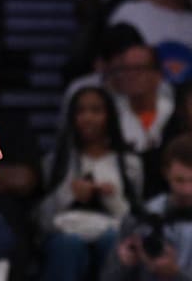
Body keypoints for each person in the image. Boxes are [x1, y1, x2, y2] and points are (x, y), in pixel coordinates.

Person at [37, 86, 143, 281]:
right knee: (67, 245)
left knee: (114, 243)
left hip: (112, 230)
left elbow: (133, 220)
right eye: (81, 111)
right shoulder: (55, 162)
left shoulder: (129, 163)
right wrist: (68, 194)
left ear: (109, 116)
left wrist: (111, 197)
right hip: (65, 234)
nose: (88, 118)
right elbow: (43, 220)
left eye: (96, 111)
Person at [101, 134, 192, 280]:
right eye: (179, 180)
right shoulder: (140, 218)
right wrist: (123, 265)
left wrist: (176, 275)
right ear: (166, 173)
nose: (187, 190)